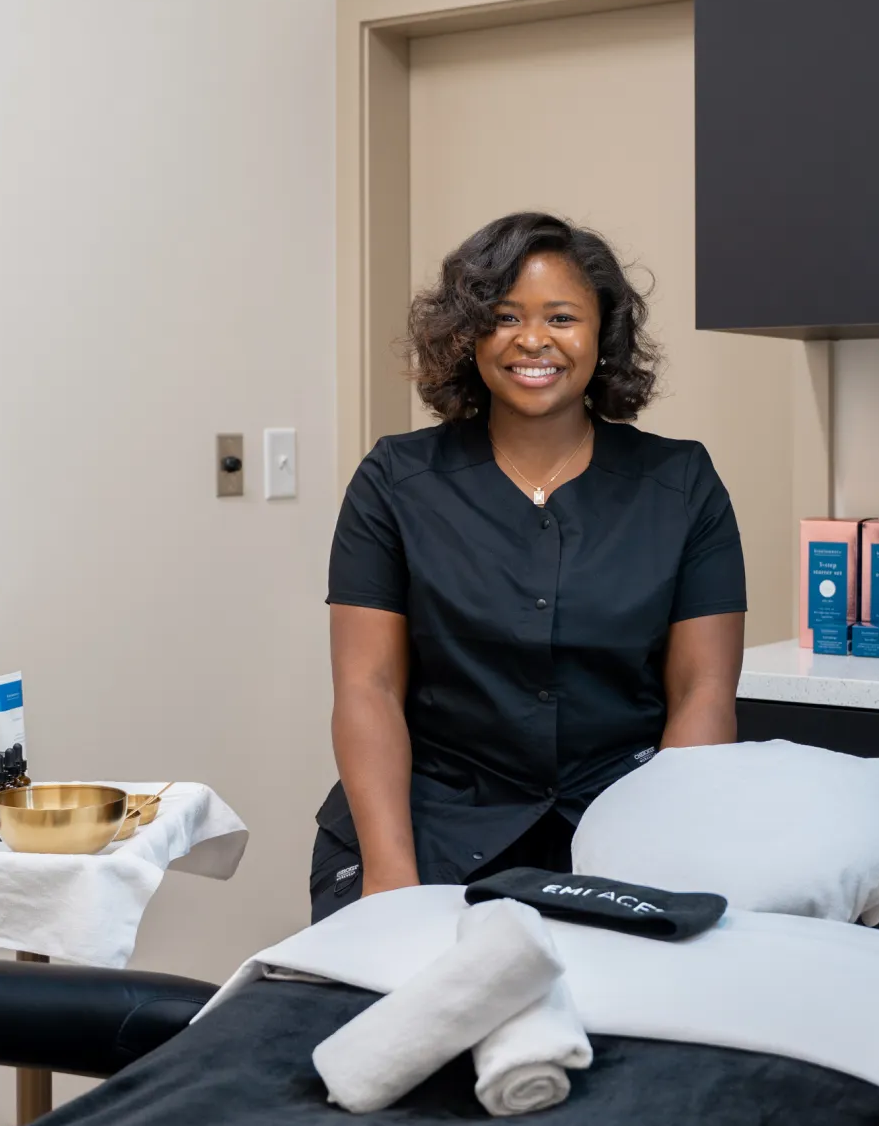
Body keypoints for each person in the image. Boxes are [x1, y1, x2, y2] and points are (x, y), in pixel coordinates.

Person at [312, 212, 746, 919]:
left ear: (601, 336)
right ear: (467, 335)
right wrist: (393, 879)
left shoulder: (681, 483)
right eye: (504, 316)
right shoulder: (396, 479)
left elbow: (703, 691)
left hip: (618, 832)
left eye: (562, 317)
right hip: (429, 828)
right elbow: (368, 686)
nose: (533, 340)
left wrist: (664, 864)